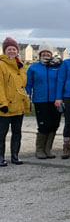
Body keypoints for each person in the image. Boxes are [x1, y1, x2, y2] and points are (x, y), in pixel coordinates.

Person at [26, 43, 62, 159]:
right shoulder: (33, 68)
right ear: (40, 53)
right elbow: (28, 85)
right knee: (43, 125)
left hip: (55, 100)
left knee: (54, 125)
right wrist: (28, 99)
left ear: (51, 54)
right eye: (43, 52)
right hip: (40, 100)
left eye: (48, 52)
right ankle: (40, 149)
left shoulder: (57, 67)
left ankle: (48, 149)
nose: (46, 54)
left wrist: (59, 97)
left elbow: (60, 83)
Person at [0, 37, 29, 166]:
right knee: (2, 133)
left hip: (19, 105)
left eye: (14, 49)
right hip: (6, 106)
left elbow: (22, 86)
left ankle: (15, 156)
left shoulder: (20, 66)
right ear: (5, 50)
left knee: (17, 132)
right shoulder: (1, 65)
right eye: (9, 49)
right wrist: (2, 103)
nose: (12, 51)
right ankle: (0, 157)